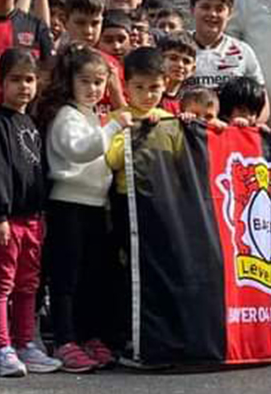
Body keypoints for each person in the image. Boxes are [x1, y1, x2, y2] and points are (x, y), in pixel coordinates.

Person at [40, 47, 123, 374]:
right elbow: (79, 151)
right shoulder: (67, 115)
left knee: (92, 277)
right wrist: (114, 126)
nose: (93, 88)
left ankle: (89, 336)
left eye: (99, 82)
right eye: (85, 81)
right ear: (70, 81)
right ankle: (64, 340)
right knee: (67, 278)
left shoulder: (93, 115)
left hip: (94, 205)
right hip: (67, 205)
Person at [0, 49, 61, 377]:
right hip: (6, 221)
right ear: (1, 84)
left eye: (29, 80)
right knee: (2, 285)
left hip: (32, 219)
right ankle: (0, 348)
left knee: (28, 285)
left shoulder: (31, 122)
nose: (23, 87)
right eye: (15, 80)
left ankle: (26, 342)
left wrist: (41, 215)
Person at [104, 47, 183, 361]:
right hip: (126, 204)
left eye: (154, 87)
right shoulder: (116, 119)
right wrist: (129, 130)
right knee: (128, 271)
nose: (147, 94)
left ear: (165, 84)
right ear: (126, 86)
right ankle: (128, 335)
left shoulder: (170, 121)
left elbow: (182, 164)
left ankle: (162, 334)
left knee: (159, 269)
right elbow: (110, 161)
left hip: (162, 206)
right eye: (139, 87)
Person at [189, 0, 262, 90]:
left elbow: (261, 96)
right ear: (192, 9)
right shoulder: (176, 47)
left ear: (230, 13)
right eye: (205, 7)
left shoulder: (243, 52)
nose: (212, 14)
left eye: (219, 9)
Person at [61, 0, 124, 111]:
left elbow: (126, 114)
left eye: (95, 23)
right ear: (65, 21)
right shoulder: (55, 62)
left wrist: (115, 90)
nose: (88, 31)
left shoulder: (112, 65)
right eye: (80, 23)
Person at [156, 34, 196, 111]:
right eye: (173, 58)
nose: (180, 65)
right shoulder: (147, 94)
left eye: (186, 61)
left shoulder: (191, 101)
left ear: (193, 69)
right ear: (158, 59)